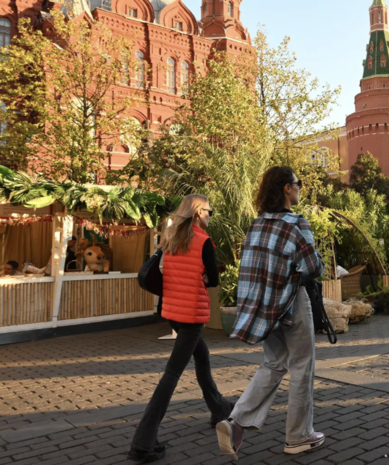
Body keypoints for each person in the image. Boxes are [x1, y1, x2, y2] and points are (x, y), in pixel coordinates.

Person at [216, 167, 325, 460]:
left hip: (263, 307)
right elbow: (313, 269)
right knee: (302, 364)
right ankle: (298, 436)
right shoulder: (296, 224)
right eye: (297, 184)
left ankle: (235, 421)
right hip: (290, 302)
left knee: (274, 363)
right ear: (287, 189)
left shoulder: (256, 224)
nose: (300, 189)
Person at [127, 194, 233, 463]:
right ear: (198, 213)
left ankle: (219, 408)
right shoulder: (203, 241)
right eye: (209, 211)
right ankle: (143, 442)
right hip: (192, 315)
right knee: (171, 375)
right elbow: (213, 279)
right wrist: (202, 274)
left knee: (202, 356)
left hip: (173, 312)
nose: (211, 215)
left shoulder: (170, 238)